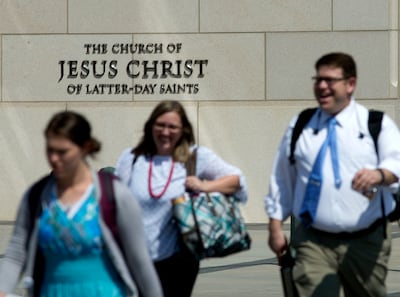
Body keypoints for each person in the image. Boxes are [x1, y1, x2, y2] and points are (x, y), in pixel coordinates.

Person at [264, 52, 400, 297]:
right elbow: (282, 178)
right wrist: (275, 225)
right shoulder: (301, 126)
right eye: (318, 80)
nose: (322, 86)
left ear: (350, 84)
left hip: (366, 240)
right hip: (313, 241)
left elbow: (396, 164)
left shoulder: (375, 124)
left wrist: (380, 175)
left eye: (330, 80)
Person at [0, 111, 163, 297]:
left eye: (62, 152)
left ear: (85, 148)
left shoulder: (114, 194)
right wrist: (3, 288)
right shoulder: (36, 196)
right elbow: (17, 252)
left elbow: (140, 261)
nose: (54, 158)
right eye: (50, 150)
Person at [114, 100, 248, 297]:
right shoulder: (132, 158)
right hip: (133, 259)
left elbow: (237, 180)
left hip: (177, 262)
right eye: (160, 125)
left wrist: (205, 186)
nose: (165, 132)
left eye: (172, 127)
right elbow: (114, 201)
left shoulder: (195, 158)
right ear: (150, 126)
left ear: (183, 130)